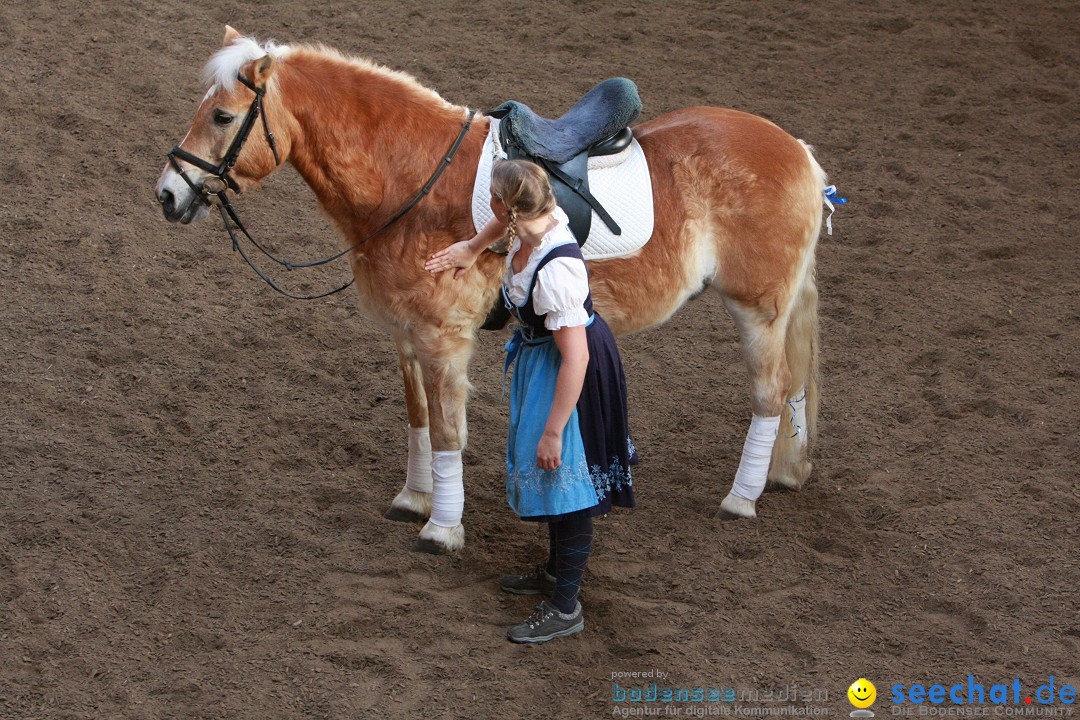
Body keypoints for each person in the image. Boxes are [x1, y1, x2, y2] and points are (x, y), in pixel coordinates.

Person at [425, 158, 637, 643]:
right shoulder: (533, 220)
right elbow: (503, 224)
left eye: (494, 200)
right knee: (554, 479)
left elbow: (576, 360)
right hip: (548, 359)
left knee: (568, 483)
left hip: (569, 369)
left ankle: (566, 606)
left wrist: (554, 430)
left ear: (506, 204)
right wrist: (471, 247)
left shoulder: (557, 268)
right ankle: (555, 570)